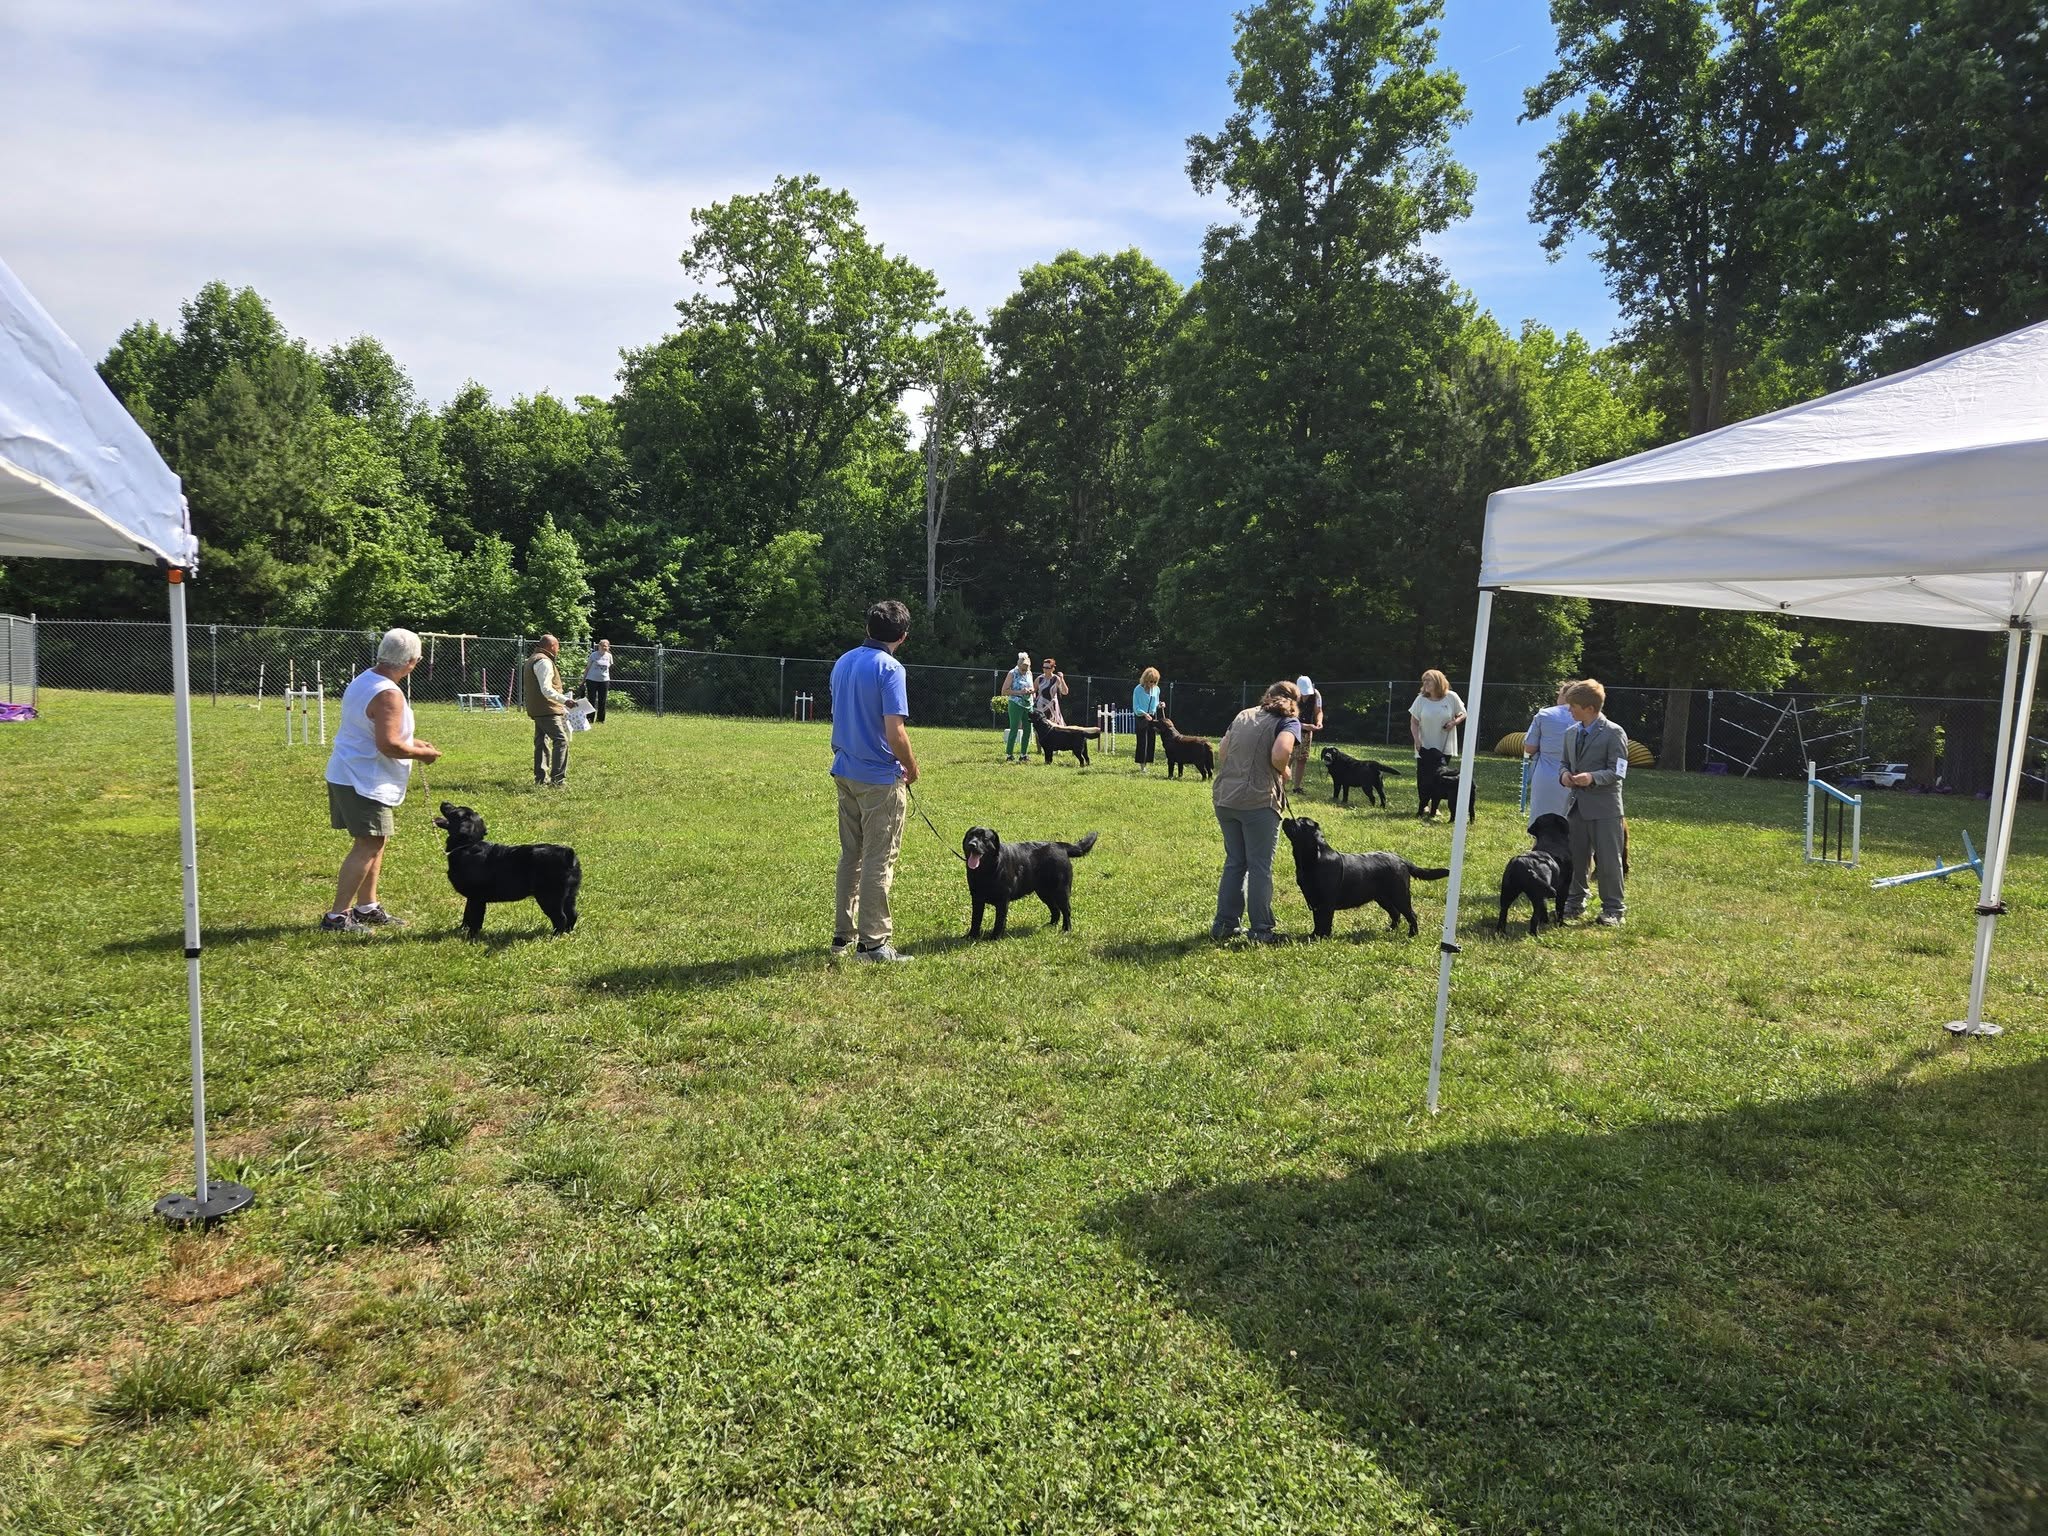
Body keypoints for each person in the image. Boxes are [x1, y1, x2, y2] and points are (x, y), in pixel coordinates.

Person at [321, 628, 441, 932]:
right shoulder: (388, 692)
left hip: (351, 771)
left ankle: (367, 907)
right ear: (412, 661)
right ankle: (338, 916)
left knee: (376, 841)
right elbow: (387, 745)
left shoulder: (365, 679)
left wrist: (415, 741)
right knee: (368, 844)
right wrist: (421, 754)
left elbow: (374, 729)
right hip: (363, 777)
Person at [830, 600, 920, 962]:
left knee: (850, 855)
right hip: (878, 779)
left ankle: (842, 936)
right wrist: (910, 766)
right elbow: (895, 731)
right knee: (878, 858)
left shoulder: (844, 661)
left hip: (845, 770)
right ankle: (873, 943)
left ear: (867, 628)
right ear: (903, 636)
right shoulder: (890, 668)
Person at [1211, 680, 1303, 943]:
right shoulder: (1288, 721)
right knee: (1259, 866)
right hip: (1258, 801)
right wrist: (1284, 771)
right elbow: (1280, 753)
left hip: (1225, 798)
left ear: (1267, 696)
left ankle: (1223, 925)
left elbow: (1224, 750)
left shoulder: (1243, 715)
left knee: (1235, 862)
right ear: (1294, 702)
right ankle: (1261, 930)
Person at [1559, 678, 1630, 926]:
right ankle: (1575, 901)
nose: (1569, 710)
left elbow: (1618, 771)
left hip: (1605, 809)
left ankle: (1613, 909)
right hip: (1576, 807)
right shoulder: (1570, 733)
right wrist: (1564, 775)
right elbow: (1564, 764)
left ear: (1589, 708)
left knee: (1609, 860)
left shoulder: (1614, 732)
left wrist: (1592, 777)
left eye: (1573, 706)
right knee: (1575, 857)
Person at [1522, 682, 1577, 824]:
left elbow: (1529, 747)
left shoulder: (1544, 714)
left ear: (1563, 695)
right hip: (1577, 776)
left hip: (1547, 774)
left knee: (1542, 821)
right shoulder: (1589, 718)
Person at [524, 634, 570, 787]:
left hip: (537, 707)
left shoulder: (533, 658)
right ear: (551, 646)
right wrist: (566, 700)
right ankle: (558, 780)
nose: (559, 649)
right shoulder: (544, 661)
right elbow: (546, 689)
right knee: (561, 740)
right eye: (558, 646)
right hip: (547, 708)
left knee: (541, 742)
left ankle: (541, 779)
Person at [1409, 668, 1467, 761]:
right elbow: (1414, 722)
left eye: (1429, 680)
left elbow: (1463, 713)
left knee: (1441, 773)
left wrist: (1453, 723)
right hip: (1424, 746)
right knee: (1424, 774)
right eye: (1424, 680)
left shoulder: (1451, 696)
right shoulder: (1420, 699)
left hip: (1445, 745)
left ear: (1438, 681)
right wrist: (1417, 740)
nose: (1425, 683)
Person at [1291, 674, 1325, 791]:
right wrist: (1304, 725)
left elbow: (1318, 711)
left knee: (1302, 759)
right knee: (1288, 757)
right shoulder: (1291, 696)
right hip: (1290, 730)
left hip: (1306, 732)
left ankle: (1297, 787)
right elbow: (1286, 718)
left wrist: (1319, 722)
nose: (1306, 696)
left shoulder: (1316, 695)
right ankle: (1280, 785)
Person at [1001, 651, 1035, 762]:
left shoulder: (1029, 673)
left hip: (1028, 704)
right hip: (1015, 704)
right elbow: (1004, 691)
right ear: (1018, 665)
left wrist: (1031, 691)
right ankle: (1009, 755)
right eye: (1022, 669)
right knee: (1014, 728)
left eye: (1026, 669)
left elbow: (1032, 688)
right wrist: (1020, 692)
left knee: (1028, 730)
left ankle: (1023, 754)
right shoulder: (1012, 673)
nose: (1024, 671)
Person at [1132, 667, 1162, 773]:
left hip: (1152, 717)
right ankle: (1142, 765)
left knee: (1151, 740)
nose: (1152, 684)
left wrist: (1160, 704)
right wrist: (1144, 714)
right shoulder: (1138, 689)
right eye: (1151, 681)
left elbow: (1156, 704)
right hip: (1141, 717)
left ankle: (1147, 762)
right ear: (1145, 680)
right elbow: (1136, 707)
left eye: (1155, 681)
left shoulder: (1156, 689)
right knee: (1142, 741)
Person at [583, 639, 613, 724]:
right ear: (599, 646)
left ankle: (600, 719)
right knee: (591, 699)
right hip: (592, 680)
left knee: (602, 700)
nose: (604, 647)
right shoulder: (593, 655)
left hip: (604, 680)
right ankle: (589, 719)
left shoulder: (609, 656)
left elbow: (608, 667)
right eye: (602, 645)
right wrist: (583, 680)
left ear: (608, 647)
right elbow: (587, 668)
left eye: (606, 646)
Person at [1035, 657, 1069, 725]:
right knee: (1041, 725)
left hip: (1052, 706)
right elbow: (1033, 690)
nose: (1045, 669)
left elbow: (1065, 692)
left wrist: (1062, 679)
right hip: (1041, 705)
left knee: (1054, 725)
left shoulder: (1056, 679)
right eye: (1044, 667)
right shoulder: (1039, 678)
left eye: (1047, 668)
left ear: (1053, 669)